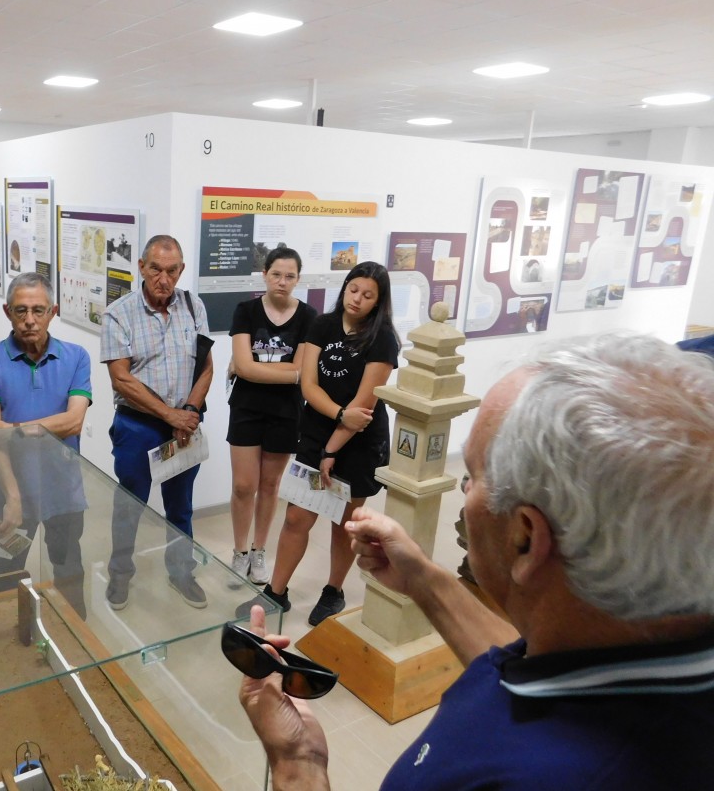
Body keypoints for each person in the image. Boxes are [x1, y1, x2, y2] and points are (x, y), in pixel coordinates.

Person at [240, 332, 714, 790]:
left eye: (471, 476)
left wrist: (297, 765)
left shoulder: (538, 776)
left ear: (526, 536)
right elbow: (521, 665)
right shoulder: (636, 642)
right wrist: (423, 579)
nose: (464, 493)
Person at [239, 261, 399, 625]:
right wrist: (336, 422)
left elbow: (364, 405)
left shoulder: (383, 339)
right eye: (353, 290)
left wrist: (335, 444)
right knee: (297, 516)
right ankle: (276, 592)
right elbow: (308, 386)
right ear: (344, 289)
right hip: (317, 432)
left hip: (359, 440)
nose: (357, 299)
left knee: (344, 523)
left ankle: (334, 591)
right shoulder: (322, 325)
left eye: (367, 295)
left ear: (379, 301)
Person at [0, 272, 92, 617]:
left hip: (64, 493)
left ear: (54, 311)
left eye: (39, 310)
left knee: (68, 571)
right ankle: (6, 649)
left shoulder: (76, 357)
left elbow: (74, 422)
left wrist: (13, 428)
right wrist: (13, 498)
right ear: (7, 312)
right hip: (9, 493)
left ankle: (74, 639)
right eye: (21, 311)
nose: (30, 321)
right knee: (5, 575)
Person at [100, 234, 213, 610]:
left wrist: (191, 412)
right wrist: (169, 415)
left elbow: (205, 364)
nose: (163, 279)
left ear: (180, 270)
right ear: (141, 268)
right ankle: (120, 574)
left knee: (180, 506)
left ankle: (181, 571)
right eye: (155, 270)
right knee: (130, 505)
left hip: (185, 425)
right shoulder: (120, 313)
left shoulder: (194, 306)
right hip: (138, 426)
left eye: (172, 271)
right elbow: (122, 379)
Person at [227, 247, 317, 586]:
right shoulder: (246, 311)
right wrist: (291, 373)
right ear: (264, 274)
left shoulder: (309, 317)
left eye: (290, 276)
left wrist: (252, 368)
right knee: (242, 485)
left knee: (269, 485)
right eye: (276, 274)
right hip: (247, 408)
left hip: (286, 412)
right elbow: (248, 368)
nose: (282, 282)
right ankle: (239, 552)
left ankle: (259, 550)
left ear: (298, 279)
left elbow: (295, 369)